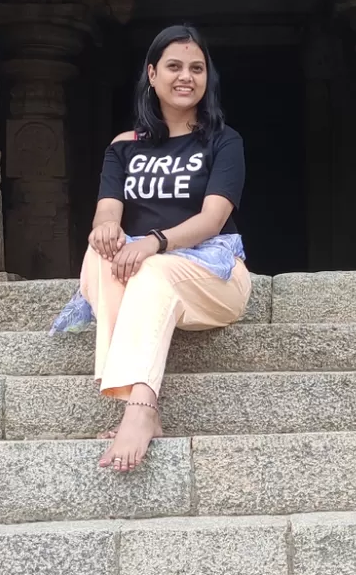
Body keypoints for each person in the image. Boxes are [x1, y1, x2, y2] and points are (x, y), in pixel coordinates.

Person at [51, 24, 250, 472]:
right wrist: (105, 230)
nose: (186, 77)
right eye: (175, 66)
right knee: (101, 255)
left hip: (214, 275)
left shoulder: (223, 140)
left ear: (206, 78)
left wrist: (154, 244)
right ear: (152, 74)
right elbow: (107, 211)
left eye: (197, 68)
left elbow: (211, 220)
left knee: (153, 268)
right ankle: (140, 404)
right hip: (144, 274)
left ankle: (140, 409)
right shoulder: (124, 148)